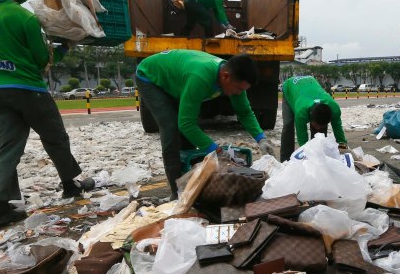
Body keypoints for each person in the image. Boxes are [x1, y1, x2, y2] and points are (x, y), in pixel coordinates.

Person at [0, 0, 95, 227]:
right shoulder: (27, 19)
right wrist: (66, 46)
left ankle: (1, 207)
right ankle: (70, 184)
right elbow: (42, 59)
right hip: (27, 89)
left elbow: (6, 1)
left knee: (7, 147)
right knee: (55, 137)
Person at [135, 50, 276, 198]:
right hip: (150, 76)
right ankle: (177, 194)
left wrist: (261, 138)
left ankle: (189, 186)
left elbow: (245, 112)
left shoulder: (231, 78)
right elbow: (186, 124)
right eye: (238, 89)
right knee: (170, 127)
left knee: (188, 137)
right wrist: (217, 151)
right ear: (226, 76)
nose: (238, 93)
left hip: (176, 78)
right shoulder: (201, 78)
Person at [279, 76, 347, 162]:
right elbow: (302, 139)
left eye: (322, 125)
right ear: (310, 117)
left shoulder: (334, 108)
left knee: (320, 134)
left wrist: (343, 147)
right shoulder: (301, 112)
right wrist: (305, 155)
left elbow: (337, 127)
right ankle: (285, 160)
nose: (318, 128)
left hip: (310, 82)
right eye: (316, 125)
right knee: (288, 125)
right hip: (290, 87)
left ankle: (320, 156)